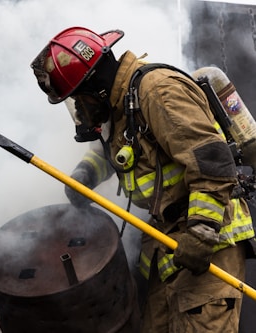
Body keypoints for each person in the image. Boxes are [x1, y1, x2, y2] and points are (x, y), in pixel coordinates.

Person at [30, 26, 255, 332]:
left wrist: (201, 233)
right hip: (170, 249)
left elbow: (212, 163)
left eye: (77, 100)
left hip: (208, 243)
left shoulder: (157, 91)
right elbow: (119, 149)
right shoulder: (123, 106)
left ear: (95, 87)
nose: (79, 112)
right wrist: (85, 177)